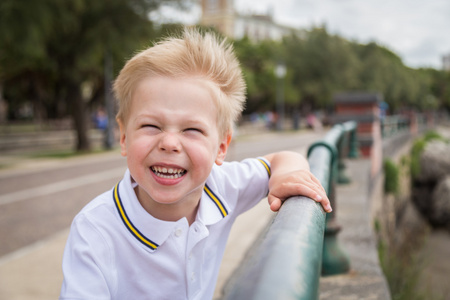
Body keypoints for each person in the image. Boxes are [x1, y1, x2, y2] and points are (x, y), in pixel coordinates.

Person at [59, 28, 331, 300]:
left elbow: (283, 159)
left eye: (192, 130)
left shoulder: (220, 185)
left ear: (221, 147)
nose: (169, 143)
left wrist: (287, 175)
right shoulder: (94, 232)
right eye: (151, 125)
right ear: (124, 136)